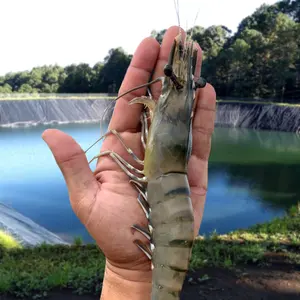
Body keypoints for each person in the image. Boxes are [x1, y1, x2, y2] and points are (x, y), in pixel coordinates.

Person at [42, 25, 216, 300]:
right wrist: (130, 274)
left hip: (166, 228)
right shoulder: (180, 131)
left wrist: (128, 275)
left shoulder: (161, 127)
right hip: (168, 221)